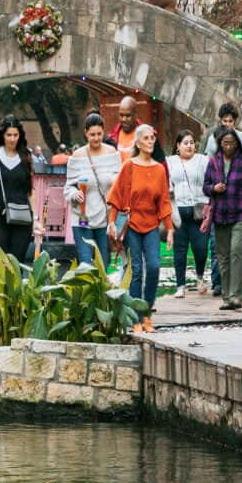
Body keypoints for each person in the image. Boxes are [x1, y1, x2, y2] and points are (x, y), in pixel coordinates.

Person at [108, 125, 174, 332]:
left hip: (152, 224)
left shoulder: (159, 169)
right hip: (133, 224)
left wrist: (170, 228)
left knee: (154, 266)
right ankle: (137, 319)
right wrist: (111, 222)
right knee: (136, 270)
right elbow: (116, 195)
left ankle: (147, 311)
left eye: (152, 138)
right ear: (138, 143)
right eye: (146, 138)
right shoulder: (129, 166)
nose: (151, 141)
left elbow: (164, 201)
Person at [203, 128, 242, 310]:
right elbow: (205, 186)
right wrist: (214, 188)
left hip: (240, 215)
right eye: (225, 143)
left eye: (232, 143)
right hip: (219, 216)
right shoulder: (213, 162)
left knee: (236, 252)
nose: (228, 147)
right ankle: (226, 297)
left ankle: (236, 296)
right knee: (223, 258)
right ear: (220, 144)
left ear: (237, 145)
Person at [65, 113, 122, 270]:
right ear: (86, 133)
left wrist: (113, 181)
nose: (96, 138)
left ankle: (102, 294)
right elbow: (68, 186)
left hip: (104, 218)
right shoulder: (77, 156)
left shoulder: (112, 154)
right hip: (82, 218)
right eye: (92, 135)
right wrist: (73, 194)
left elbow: (120, 185)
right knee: (85, 264)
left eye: (99, 134)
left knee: (103, 263)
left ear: (103, 132)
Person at [0, 116, 39, 262]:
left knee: (17, 263)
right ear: (2, 135)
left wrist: (36, 218)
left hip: (23, 216)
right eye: (9, 135)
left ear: (20, 135)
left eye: (15, 135)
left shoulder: (26, 156)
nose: (12, 139)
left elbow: (31, 189)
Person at [168, 130, 211, 294]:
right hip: (178, 211)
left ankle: (200, 277)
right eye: (185, 143)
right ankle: (180, 286)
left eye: (192, 142)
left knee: (201, 249)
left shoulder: (203, 160)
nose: (189, 146)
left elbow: (210, 178)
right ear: (178, 146)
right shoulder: (170, 162)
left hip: (198, 210)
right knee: (179, 251)